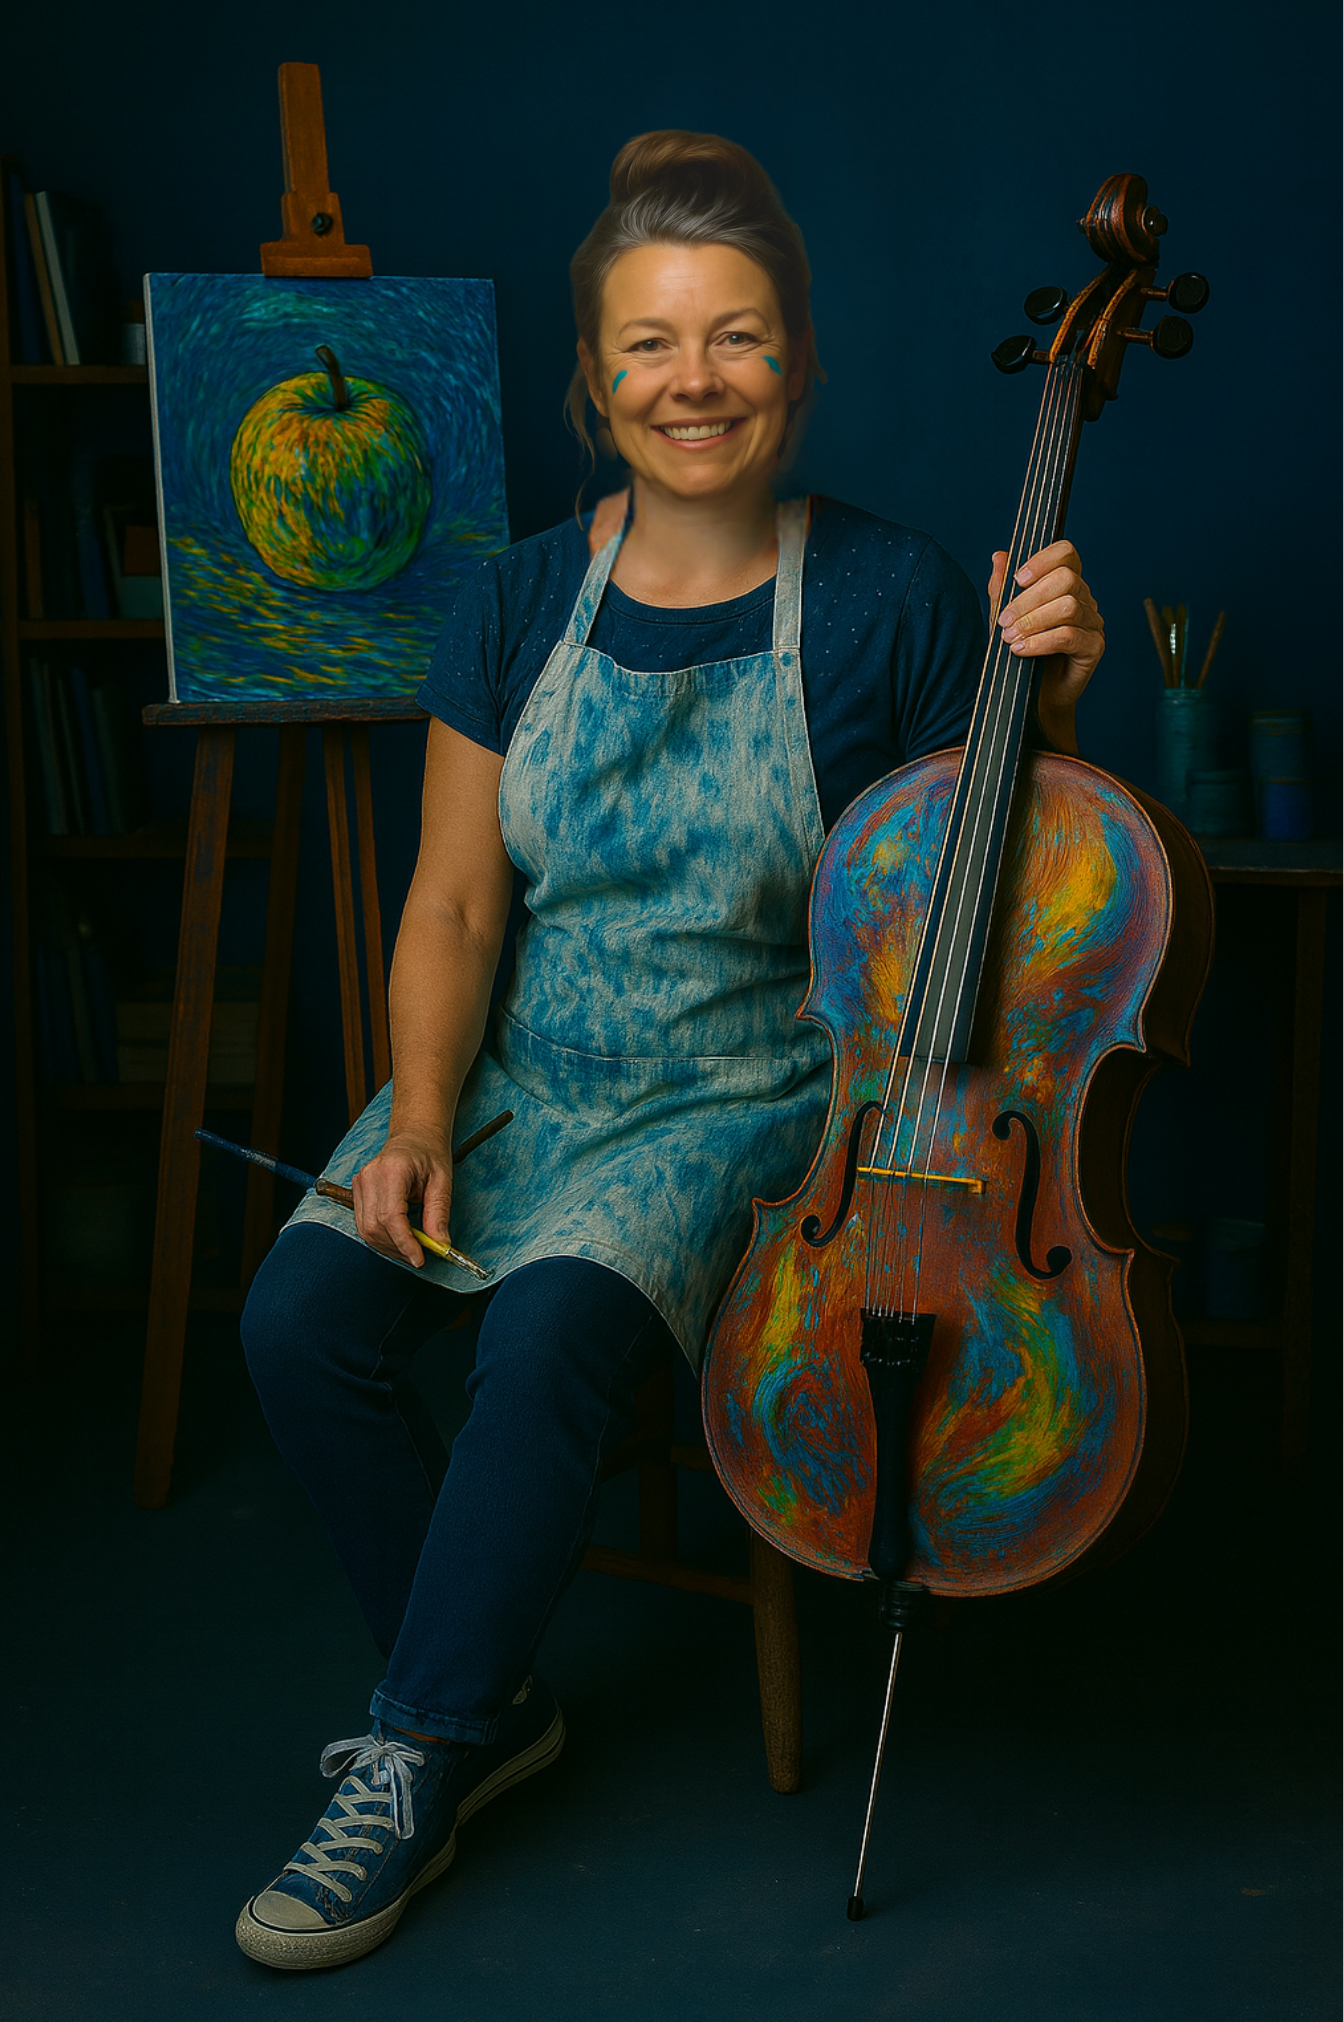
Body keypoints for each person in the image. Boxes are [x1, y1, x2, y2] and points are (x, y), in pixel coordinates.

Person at [236, 129, 1105, 1971]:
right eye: (647, 344)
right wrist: (412, 1113)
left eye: (736, 337)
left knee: (547, 1328)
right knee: (297, 1318)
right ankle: (488, 1689)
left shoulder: (888, 594)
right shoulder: (513, 594)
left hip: (749, 1092)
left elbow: (981, 911)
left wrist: (1057, 689)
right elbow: (457, 907)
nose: (691, 381)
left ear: (795, 359)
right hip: (525, 1064)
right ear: (595, 374)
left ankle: (415, 1753)